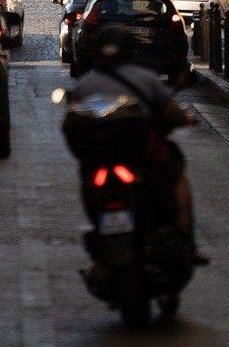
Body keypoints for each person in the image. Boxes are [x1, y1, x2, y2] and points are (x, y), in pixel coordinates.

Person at [72, 24, 207, 263]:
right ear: (130, 51)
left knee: (87, 182)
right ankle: (186, 241)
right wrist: (186, 118)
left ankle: (102, 248)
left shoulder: (85, 84)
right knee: (177, 178)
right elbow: (172, 111)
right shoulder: (146, 79)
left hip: (99, 159)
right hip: (141, 156)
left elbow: (73, 120)